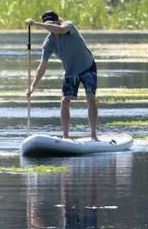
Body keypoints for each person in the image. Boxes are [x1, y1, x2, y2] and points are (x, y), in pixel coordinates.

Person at [25, 10, 99, 141]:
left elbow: (59, 30)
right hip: (70, 71)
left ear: (58, 22)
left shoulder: (68, 27)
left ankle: (93, 135)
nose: (50, 28)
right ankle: (66, 137)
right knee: (65, 101)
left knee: (90, 98)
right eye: (47, 25)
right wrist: (32, 86)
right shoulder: (48, 43)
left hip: (87, 67)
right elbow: (42, 67)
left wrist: (36, 24)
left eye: (51, 24)